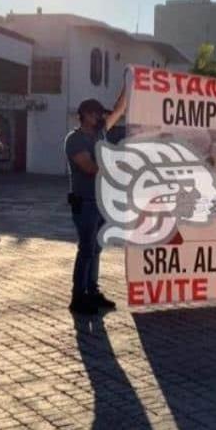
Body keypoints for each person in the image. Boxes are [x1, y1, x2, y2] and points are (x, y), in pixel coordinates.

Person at [65, 90, 127, 315]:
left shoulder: (100, 133)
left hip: (102, 202)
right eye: (95, 114)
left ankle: (92, 291)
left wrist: (127, 84)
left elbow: (119, 110)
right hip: (86, 203)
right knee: (86, 249)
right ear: (84, 115)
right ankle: (78, 296)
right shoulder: (74, 140)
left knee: (96, 249)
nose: (100, 117)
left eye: (101, 113)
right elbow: (89, 168)